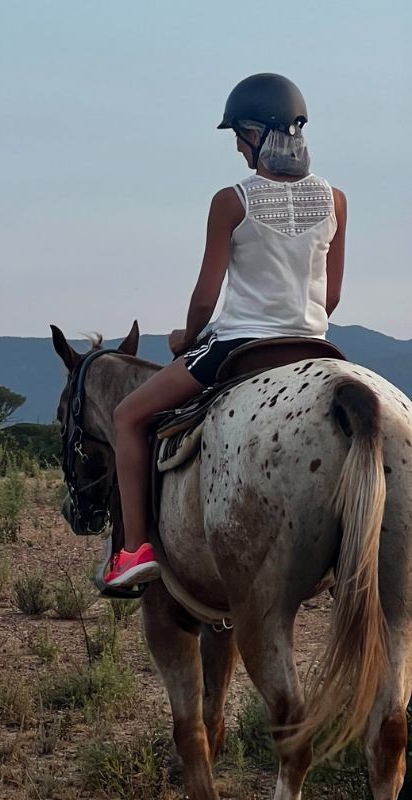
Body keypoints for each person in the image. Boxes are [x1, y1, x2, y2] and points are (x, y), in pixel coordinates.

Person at [105, 73, 347, 588]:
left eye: (239, 135)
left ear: (256, 133)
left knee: (128, 417)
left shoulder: (231, 200)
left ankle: (132, 551)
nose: (238, 147)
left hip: (242, 345)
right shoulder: (336, 201)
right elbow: (332, 299)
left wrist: (187, 338)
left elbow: (204, 297)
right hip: (317, 347)